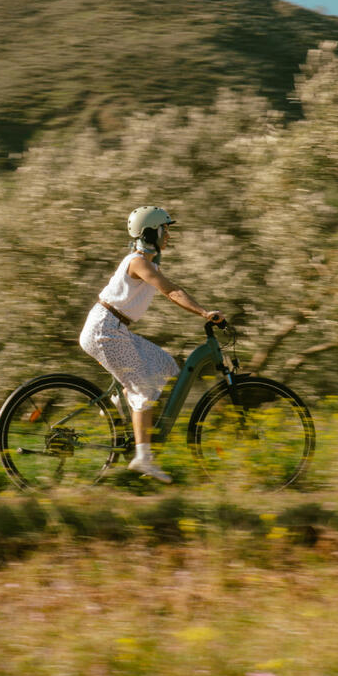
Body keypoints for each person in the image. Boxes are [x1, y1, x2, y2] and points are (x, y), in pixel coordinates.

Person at [80, 204, 222, 485]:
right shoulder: (138, 262)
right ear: (149, 233)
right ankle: (143, 457)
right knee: (144, 389)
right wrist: (204, 312)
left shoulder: (148, 263)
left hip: (115, 329)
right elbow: (171, 291)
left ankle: (119, 405)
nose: (167, 235)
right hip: (105, 330)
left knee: (166, 366)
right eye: (163, 230)